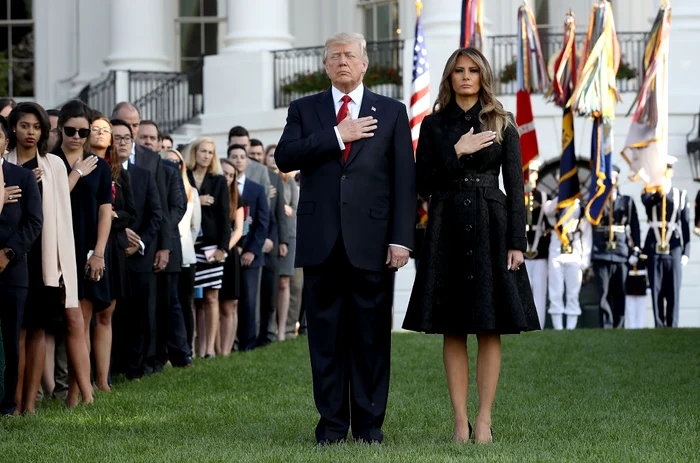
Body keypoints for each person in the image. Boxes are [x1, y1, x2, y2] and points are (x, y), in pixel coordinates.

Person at [275, 32, 415, 445]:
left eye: (349, 55)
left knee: (371, 340)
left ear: (365, 62)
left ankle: (370, 427)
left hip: (373, 243)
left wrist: (401, 240)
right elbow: (285, 157)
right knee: (325, 341)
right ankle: (332, 427)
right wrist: (339, 135)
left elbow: (404, 182)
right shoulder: (305, 109)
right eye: (334, 56)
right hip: (322, 242)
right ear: (324, 65)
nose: (341, 62)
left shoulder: (391, 111)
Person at [402, 47, 539, 443]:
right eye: (459, 70)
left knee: (489, 326)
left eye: (473, 70)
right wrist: (455, 151)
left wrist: (518, 241)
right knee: (452, 328)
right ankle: (460, 421)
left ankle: (484, 419)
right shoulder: (432, 125)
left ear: (483, 76)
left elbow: (516, 186)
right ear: (449, 77)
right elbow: (423, 183)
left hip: (491, 226)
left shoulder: (502, 121)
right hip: (445, 224)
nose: (465, 76)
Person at [54, 100, 113, 406]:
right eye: (70, 130)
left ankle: (74, 397)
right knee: (74, 323)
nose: (76, 136)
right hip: (57, 250)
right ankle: (87, 396)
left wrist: (99, 253)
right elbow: (50, 204)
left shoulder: (101, 166)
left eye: (83, 131)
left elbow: (106, 211)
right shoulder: (50, 161)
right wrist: (76, 173)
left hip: (90, 252)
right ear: (59, 129)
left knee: (85, 322)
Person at [109, 119, 162, 380]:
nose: (121, 143)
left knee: (139, 315)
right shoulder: (102, 171)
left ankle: (136, 368)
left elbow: (156, 214)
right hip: (110, 253)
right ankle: (111, 366)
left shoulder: (144, 174)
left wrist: (139, 242)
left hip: (139, 255)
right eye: (116, 137)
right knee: (112, 314)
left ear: (133, 143)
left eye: (125, 138)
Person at [88, 115, 137, 390]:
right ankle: (83, 379)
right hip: (87, 243)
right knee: (85, 316)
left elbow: (131, 213)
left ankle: (102, 380)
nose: (108, 137)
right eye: (99, 130)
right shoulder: (79, 165)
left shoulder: (121, 173)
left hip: (113, 249)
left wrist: (112, 216)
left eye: (111, 133)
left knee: (106, 313)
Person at [0, 115, 43, 415]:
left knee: (11, 338)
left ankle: (7, 404)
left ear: (5, 141)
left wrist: (9, 253)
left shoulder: (23, 177)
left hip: (13, 271)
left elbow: (34, 222)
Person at [186, 137, 230, 358]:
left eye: (210, 152)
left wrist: (223, 248)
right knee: (191, 298)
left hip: (212, 245)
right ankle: (191, 349)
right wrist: (196, 200)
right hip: (189, 243)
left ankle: (209, 349)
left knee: (212, 297)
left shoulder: (219, 180)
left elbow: (225, 217)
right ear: (194, 152)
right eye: (203, 151)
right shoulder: (184, 175)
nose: (206, 155)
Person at [228, 144, 269, 352]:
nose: (238, 160)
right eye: (233, 157)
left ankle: (248, 344)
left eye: (241, 157)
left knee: (250, 301)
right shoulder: (222, 185)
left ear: (247, 160)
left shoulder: (257, 188)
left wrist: (251, 250)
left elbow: (263, 223)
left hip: (251, 254)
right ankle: (229, 343)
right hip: (229, 252)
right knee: (230, 299)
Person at [641, 157, 691, 328]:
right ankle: (659, 324)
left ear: (671, 172)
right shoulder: (648, 191)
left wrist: (686, 252)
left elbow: (685, 225)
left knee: (673, 288)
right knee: (656, 288)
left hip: (674, 246)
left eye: (667, 169)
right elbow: (647, 203)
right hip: (654, 244)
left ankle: (673, 325)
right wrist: (658, 193)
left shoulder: (680, 195)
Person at [591, 166, 641, 329]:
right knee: (603, 293)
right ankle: (605, 325)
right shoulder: (597, 201)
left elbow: (635, 226)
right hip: (601, 252)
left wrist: (636, 250)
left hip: (620, 252)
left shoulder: (627, 201)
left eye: (613, 179)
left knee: (620, 291)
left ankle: (619, 325)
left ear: (618, 180)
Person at [162, 148, 201, 355]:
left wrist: (186, 245)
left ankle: (186, 348)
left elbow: (195, 225)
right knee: (171, 301)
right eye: (168, 161)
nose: (172, 166)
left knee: (184, 303)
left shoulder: (191, 191)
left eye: (176, 163)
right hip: (167, 250)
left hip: (186, 253)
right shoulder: (162, 183)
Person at [544, 195, 591, 331]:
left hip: (574, 252)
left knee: (573, 292)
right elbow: (548, 211)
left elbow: (587, 234)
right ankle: (558, 327)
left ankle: (571, 327)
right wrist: (562, 194)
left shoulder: (580, 208)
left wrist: (585, 259)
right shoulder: (556, 204)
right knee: (555, 291)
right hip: (556, 251)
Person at [266, 144, 298, 341]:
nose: (272, 158)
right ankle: (269, 326)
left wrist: (286, 208)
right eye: (269, 155)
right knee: (270, 283)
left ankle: (284, 330)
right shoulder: (263, 179)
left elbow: (295, 209)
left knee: (285, 282)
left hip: (288, 235)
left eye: (274, 155)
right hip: (269, 233)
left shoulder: (289, 182)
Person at [217, 159, 245, 355]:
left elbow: (239, 230)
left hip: (229, 255)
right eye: (224, 173)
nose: (227, 178)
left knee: (229, 304)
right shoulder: (211, 193)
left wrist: (224, 248)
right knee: (214, 304)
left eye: (231, 175)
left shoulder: (237, 197)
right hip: (212, 253)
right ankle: (215, 349)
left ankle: (226, 350)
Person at [523, 160, 551, 328]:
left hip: (539, 249)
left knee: (539, 290)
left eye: (534, 172)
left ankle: (538, 324)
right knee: (524, 289)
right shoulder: (518, 194)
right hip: (521, 248)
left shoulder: (544, 196)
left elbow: (547, 224)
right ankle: (524, 324)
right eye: (530, 171)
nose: (533, 175)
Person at [228, 126, 272, 201]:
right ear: (228, 144)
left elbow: (265, 204)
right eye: (235, 145)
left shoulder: (261, 170)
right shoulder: (218, 167)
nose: (239, 149)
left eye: (244, 146)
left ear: (249, 145)